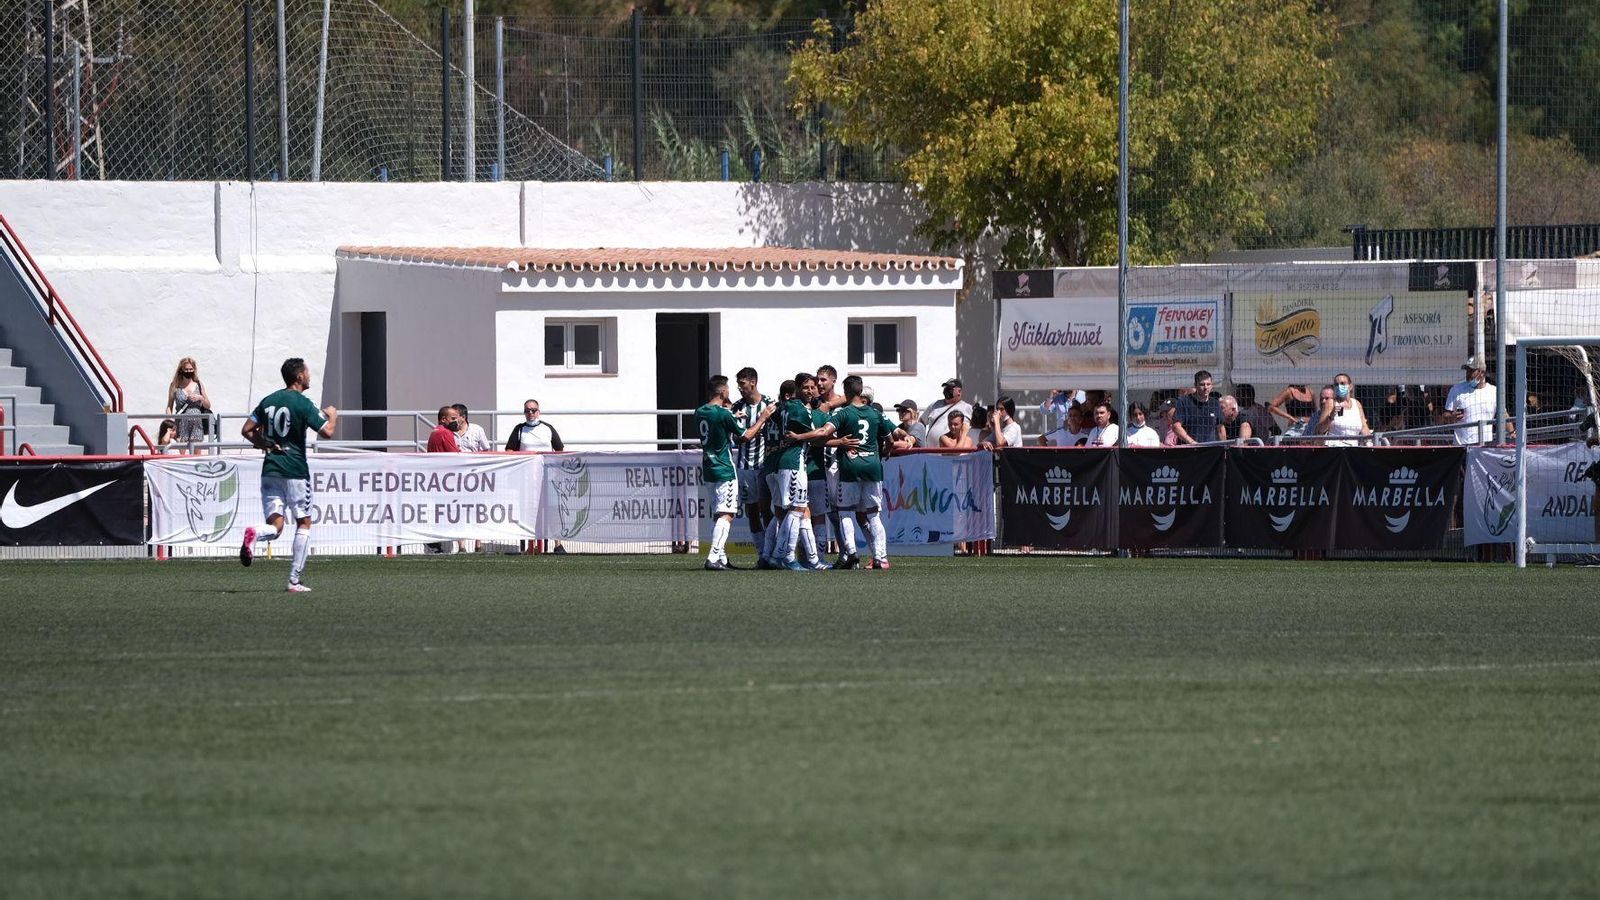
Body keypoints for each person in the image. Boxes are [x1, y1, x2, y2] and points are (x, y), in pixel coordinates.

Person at [237, 357, 338, 593]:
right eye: (307, 372)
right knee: (304, 522)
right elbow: (327, 433)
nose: (309, 376)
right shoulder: (303, 403)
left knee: (276, 527)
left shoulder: (269, 400)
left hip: (271, 470)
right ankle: (294, 581)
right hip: (295, 471)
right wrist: (333, 415)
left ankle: (255, 533)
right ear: (299, 376)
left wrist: (265, 443)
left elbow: (246, 430)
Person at [694, 375, 774, 571]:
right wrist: (762, 418)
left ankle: (721, 558)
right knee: (728, 514)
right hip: (724, 469)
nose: (731, 391)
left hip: (708, 468)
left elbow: (719, 425)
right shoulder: (723, 414)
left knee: (718, 514)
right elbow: (746, 436)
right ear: (722, 392)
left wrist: (732, 417)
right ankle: (713, 557)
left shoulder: (700, 411)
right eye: (729, 388)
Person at [831, 374, 892, 569]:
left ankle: (852, 553)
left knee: (845, 512)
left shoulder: (843, 413)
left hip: (851, 466)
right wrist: (886, 451)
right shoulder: (875, 413)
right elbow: (890, 438)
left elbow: (825, 432)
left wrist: (835, 442)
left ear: (847, 392)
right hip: (873, 467)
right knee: (873, 514)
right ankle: (881, 558)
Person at [731, 367, 775, 556]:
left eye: (742, 384)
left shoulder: (770, 404)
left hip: (765, 466)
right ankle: (762, 553)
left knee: (767, 509)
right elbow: (739, 438)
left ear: (753, 382)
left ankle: (772, 551)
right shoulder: (737, 408)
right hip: (745, 466)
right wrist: (759, 423)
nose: (740, 388)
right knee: (752, 511)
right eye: (738, 384)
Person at [1445, 361, 1499, 446]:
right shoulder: (1456, 389)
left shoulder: (1493, 391)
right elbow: (1446, 415)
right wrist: (1452, 417)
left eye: (1471, 371)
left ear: (1482, 373)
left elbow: (1503, 414)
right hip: (1462, 445)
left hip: (1485, 445)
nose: (1468, 374)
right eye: (1467, 371)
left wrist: (1512, 432)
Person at [165, 357, 213, 448]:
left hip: (197, 422)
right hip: (181, 422)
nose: (189, 371)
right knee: (182, 451)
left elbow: (208, 405)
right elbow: (169, 406)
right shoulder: (175, 385)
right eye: (186, 369)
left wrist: (200, 398)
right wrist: (170, 421)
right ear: (181, 370)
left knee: (196, 452)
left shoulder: (198, 384)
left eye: (191, 369)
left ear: (194, 369)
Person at [1313, 375, 1372, 446]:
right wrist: (1331, 416)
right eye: (1336, 384)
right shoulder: (1331, 403)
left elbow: (1364, 427)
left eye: (1342, 383)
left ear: (1350, 386)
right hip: (1334, 447)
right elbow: (1319, 430)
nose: (1339, 387)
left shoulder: (1357, 404)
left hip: (1353, 447)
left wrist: (1369, 441)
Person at [1171, 370, 1224, 444]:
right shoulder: (1184, 402)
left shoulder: (1215, 404)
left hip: (1210, 448)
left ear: (1212, 385)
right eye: (1202, 384)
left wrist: (1224, 447)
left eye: (1208, 384)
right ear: (1195, 385)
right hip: (1190, 448)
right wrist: (1192, 442)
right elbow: (1176, 426)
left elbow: (1220, 429)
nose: (1206, 387)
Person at [922, 378, 973, 446]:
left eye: (950, 388)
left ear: (959, 391)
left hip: (954, 449)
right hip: (931, 450)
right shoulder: (934, 405)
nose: (946, 390)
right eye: (945, 388)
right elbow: (922, 422)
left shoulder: (968, 408)